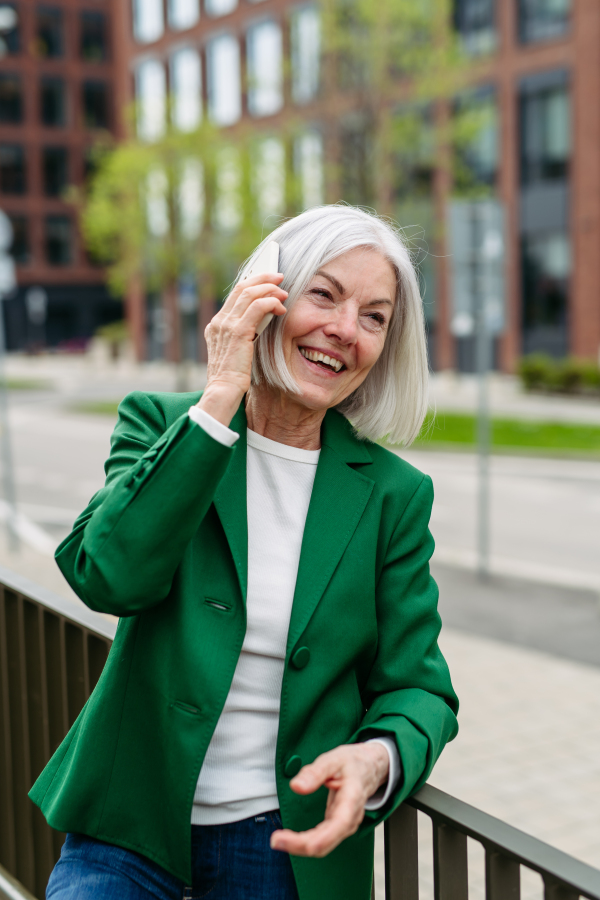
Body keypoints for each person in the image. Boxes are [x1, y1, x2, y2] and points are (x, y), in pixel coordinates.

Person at [31, 204, 458, 900]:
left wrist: (377, 758)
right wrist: (220, 397)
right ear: (264, 295)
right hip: (130, 827)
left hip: (281, 848)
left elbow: (419, 685)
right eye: (323, 294)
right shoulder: (165, 425)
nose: (344, 330)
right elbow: (107, 576)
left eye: (374, 316)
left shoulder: (393, 495)